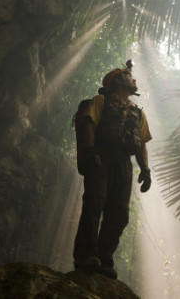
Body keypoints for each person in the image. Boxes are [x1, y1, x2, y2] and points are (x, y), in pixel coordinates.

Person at [73, 62, 152, 279]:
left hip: (124, 163)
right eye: (129, 76)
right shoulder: (101, 101)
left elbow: (142, 142)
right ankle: (85, 256)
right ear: (117, 81)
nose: (134, 80)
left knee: (119, 213)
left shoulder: (137, 113)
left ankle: (104, 258)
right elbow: (90, 123)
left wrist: (145, 169)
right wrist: (90, 152)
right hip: (101, 155)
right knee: (94, 202)